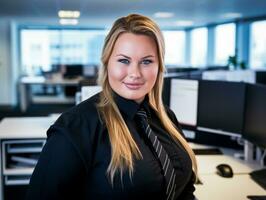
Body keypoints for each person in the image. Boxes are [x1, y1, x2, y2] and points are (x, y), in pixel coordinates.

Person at [26, 13, 197, 200]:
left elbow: (185, 188)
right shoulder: (76, 127)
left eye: (147, 61)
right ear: (107, 63)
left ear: (160, 66)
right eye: (124, 60)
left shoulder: (166, 118)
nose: (135, 73)